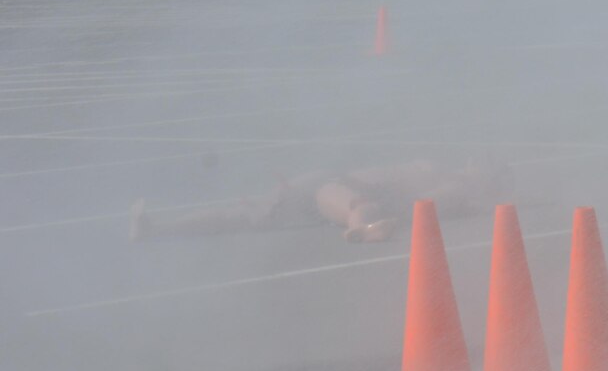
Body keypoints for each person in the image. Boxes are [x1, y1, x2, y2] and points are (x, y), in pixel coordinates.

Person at [130, 160, 510, 243]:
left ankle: (365, 226)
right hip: (324, 185)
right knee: (245, 215)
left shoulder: (455, 189)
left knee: (347, 202)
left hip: (340, 192)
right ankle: (159, 229)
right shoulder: (442, 172)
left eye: (483, 167)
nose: (474, 164)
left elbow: (428, 207)